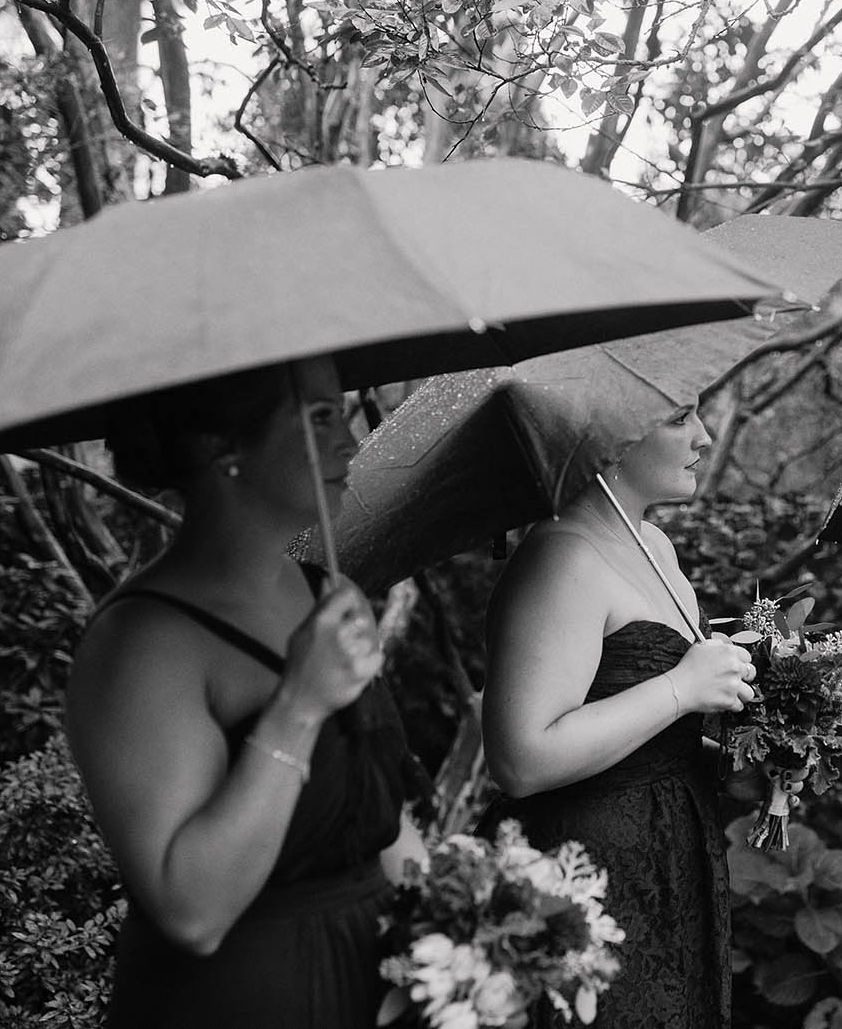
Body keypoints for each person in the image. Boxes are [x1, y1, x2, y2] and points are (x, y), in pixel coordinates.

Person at [65, 357, 427, 1029]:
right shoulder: (139, 643)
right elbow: (192, 910)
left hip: (381, 992)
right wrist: (299, 705)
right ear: (219, 445)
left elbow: (379, 814)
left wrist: (468, 925)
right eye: (319, 418)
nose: (349, 442)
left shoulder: (331, 594)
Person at [481, 402, 783, 1029]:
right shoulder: (561, 558)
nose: (704, 436)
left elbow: (650, 739)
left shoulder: (654, 545)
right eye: (679, 418)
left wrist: (739, 768)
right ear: (610, 438)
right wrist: (680, 687)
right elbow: (520, 759)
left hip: (673, 855)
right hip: (588, 870)